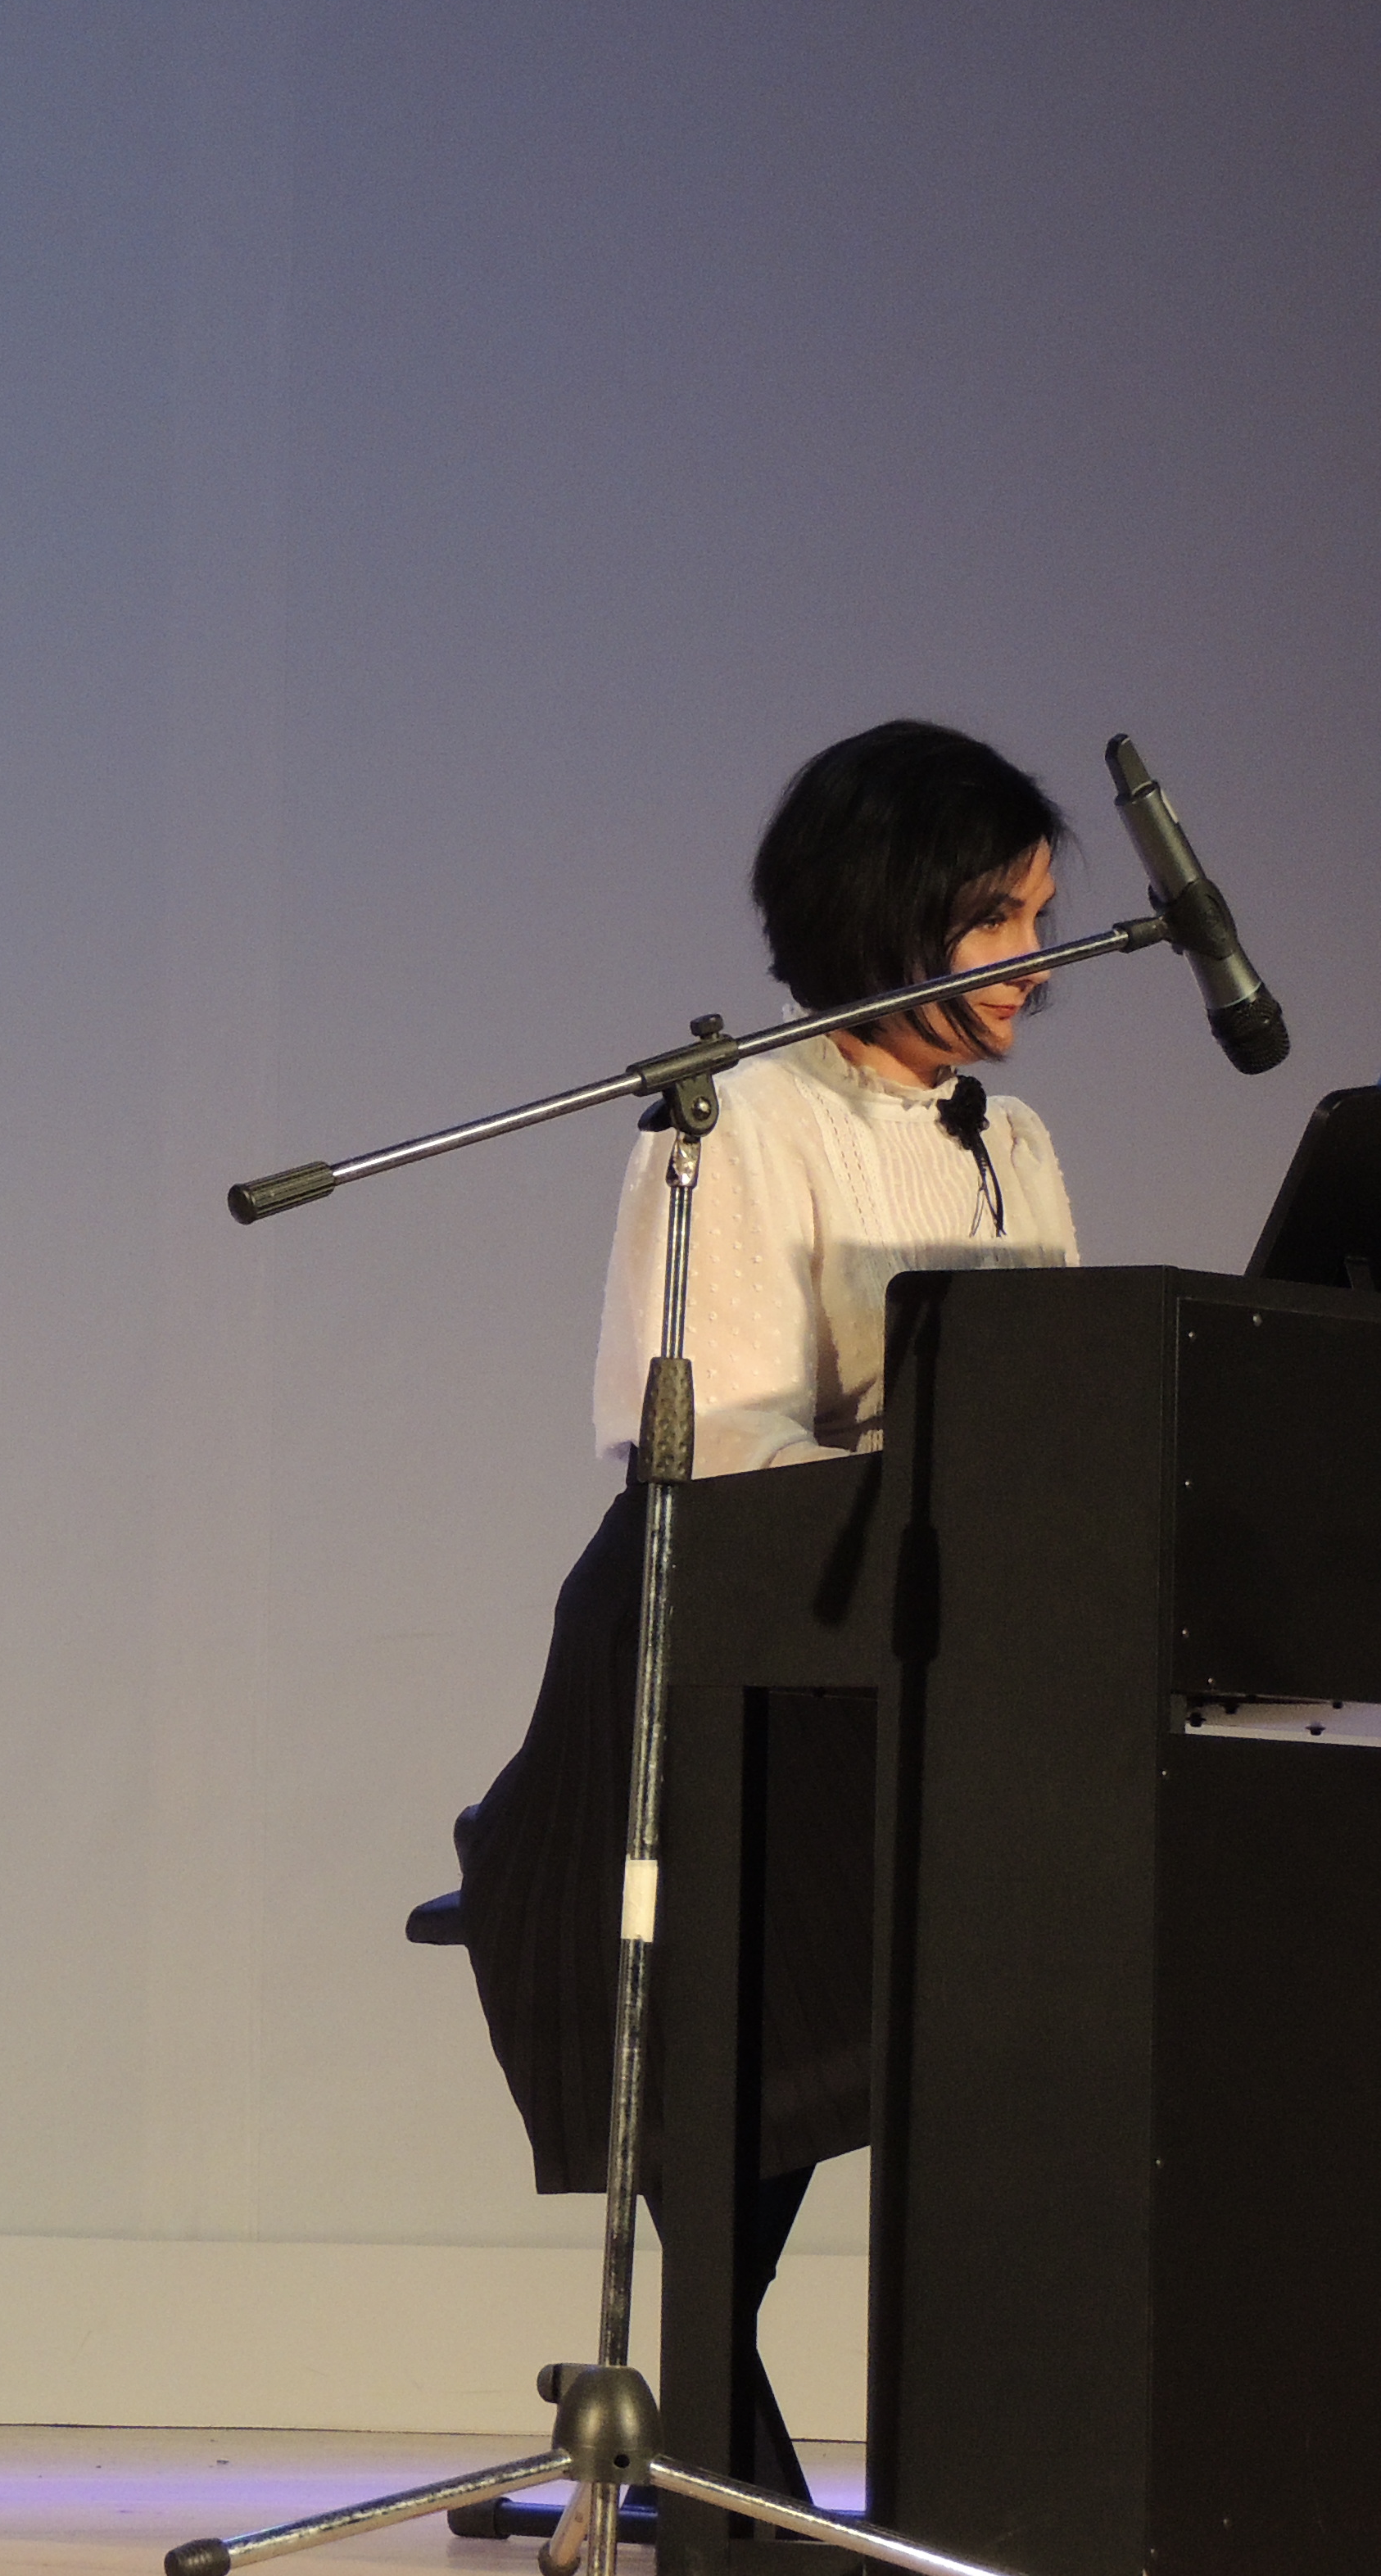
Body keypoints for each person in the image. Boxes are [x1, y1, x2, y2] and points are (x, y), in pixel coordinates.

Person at [455, 722, 1076, 2561]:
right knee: (784, 1951)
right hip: (705, 1652)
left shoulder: (1014, 1144)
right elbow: (699, 1444)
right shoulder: (733, 1123)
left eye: (1047, 920)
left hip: (911, 1655)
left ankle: (747, 2438)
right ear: (889, 912)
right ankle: (719, 2436)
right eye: (1001, 920)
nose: (1041, 962)